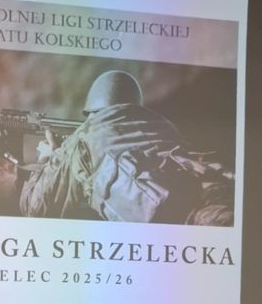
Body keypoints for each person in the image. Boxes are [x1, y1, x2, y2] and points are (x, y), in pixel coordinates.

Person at [19, 69, 234, 225]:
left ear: (92, 110)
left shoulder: (85, 138)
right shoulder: (164, 129)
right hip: (219, 200)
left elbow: (35, 209)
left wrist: (46, 159)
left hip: (181, 221)